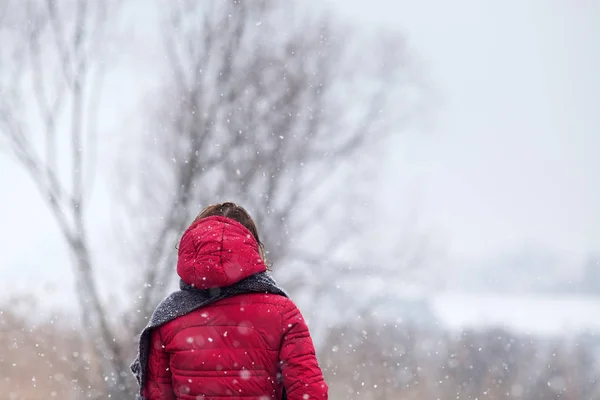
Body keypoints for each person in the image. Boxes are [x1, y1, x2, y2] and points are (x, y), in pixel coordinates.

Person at [131, 202, 328, 400]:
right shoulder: (283, 312)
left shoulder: (168, 318)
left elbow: (156, 396)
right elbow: (309, 393)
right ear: (251, 247)